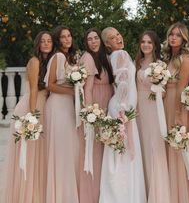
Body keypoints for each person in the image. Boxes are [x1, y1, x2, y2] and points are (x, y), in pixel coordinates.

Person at [2, 31, 54, 203]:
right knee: (30, 153)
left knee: (39, 154)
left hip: (42, 107)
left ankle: (38, 195)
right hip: (30, 108)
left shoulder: (51, 61)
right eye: (43, 41)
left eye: (49, 41)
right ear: (38, 44)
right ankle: (27, 197)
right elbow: (33, 90)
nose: (46, 44)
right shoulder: (35, 61)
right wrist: (33, 117)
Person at [99, 27, 146, 203]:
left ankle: (119, 195)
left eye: (118, 34)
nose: (118, 38)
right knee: (123, 154)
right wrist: (124, 109)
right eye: (112, 37)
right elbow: (123, 83)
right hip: (122, 109)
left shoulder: (113, 56)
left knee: (119, 154)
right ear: (107, 44)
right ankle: (124, 196)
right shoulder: (120, 55)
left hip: (121, 107)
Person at [162, 22, 189, 203]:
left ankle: (179, 195)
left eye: (177, 35)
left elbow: (182, 88)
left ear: (183, 38)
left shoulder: (185, 59)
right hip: (165, 101)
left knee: (175, 145)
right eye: (171, 34)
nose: (173, 37)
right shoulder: (168, 57)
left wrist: (177, 113)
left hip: (176, 102)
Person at [44, 26, 80, 203]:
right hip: (58, 106)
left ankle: (67, 192)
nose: (67, 39)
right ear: (58, 40)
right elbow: (49, 85)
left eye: (69, 36)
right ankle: (58, 195)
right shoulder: (57, 57)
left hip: (68, 107)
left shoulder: (71, 58)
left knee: (69, 148)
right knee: (61, 149)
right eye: (63, 37)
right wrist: (73, 91)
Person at [78, 28, 114, 203]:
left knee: (106, 148)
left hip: (108, 102)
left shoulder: (105, 57)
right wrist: (91, 113)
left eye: (96, 38)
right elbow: (88, 89)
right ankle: (92, 195)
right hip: (97, 104)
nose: (93, 41)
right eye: (90, 39)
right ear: (86, 42)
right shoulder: (88, 58)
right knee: (96, 150)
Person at [135, 30, 171, 203]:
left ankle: (158, 195)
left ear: (155, 45)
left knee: (154, 147)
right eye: (143, 42)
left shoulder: (160, 64)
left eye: (149, 42)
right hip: (138, 109)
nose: (146, 45)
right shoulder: (137, 63)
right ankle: (144, 191)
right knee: (141, 146)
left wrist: (157, 91)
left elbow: (165, 91)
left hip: (152, 107)